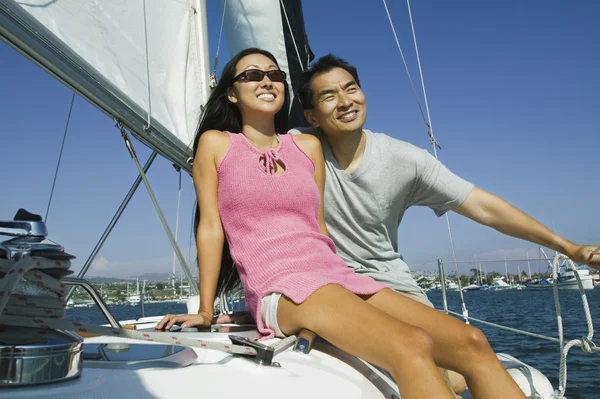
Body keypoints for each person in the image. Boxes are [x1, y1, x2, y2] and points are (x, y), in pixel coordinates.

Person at [155, 47, 528, 398]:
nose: (267, 81)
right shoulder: (216, 144)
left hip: (336, 276)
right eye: (253, 75)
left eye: (274, 74)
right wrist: (205, 310)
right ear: (232, 94)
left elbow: (317, 228)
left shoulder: (307, 148)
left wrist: (341, 299)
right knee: (410, 344)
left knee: (472, 342)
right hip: (279, 286)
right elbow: (210, 228)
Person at [289, 54, 600, 393]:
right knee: (419, 363)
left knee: (465, 356)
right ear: (311, 116)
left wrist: (569, 247)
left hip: (391, 284)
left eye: (351, 89)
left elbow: (484, 207)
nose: (346, 101)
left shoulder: (404, 160)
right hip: (327, 286)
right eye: (329, 95)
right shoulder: (294, 150)